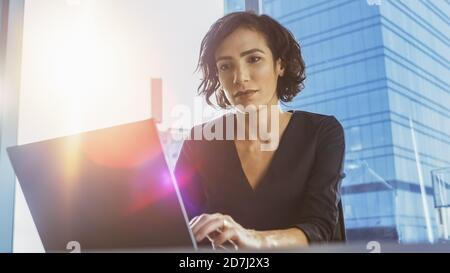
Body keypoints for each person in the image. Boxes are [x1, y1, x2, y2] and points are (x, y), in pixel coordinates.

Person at [174, 11, 345, 250]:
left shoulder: (322, 132)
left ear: (280, 64)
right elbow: (176, 230)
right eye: (225, 66)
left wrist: (254, 239)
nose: (239, 77)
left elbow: (320, 229)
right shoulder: (198, 141)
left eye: (253, 59)